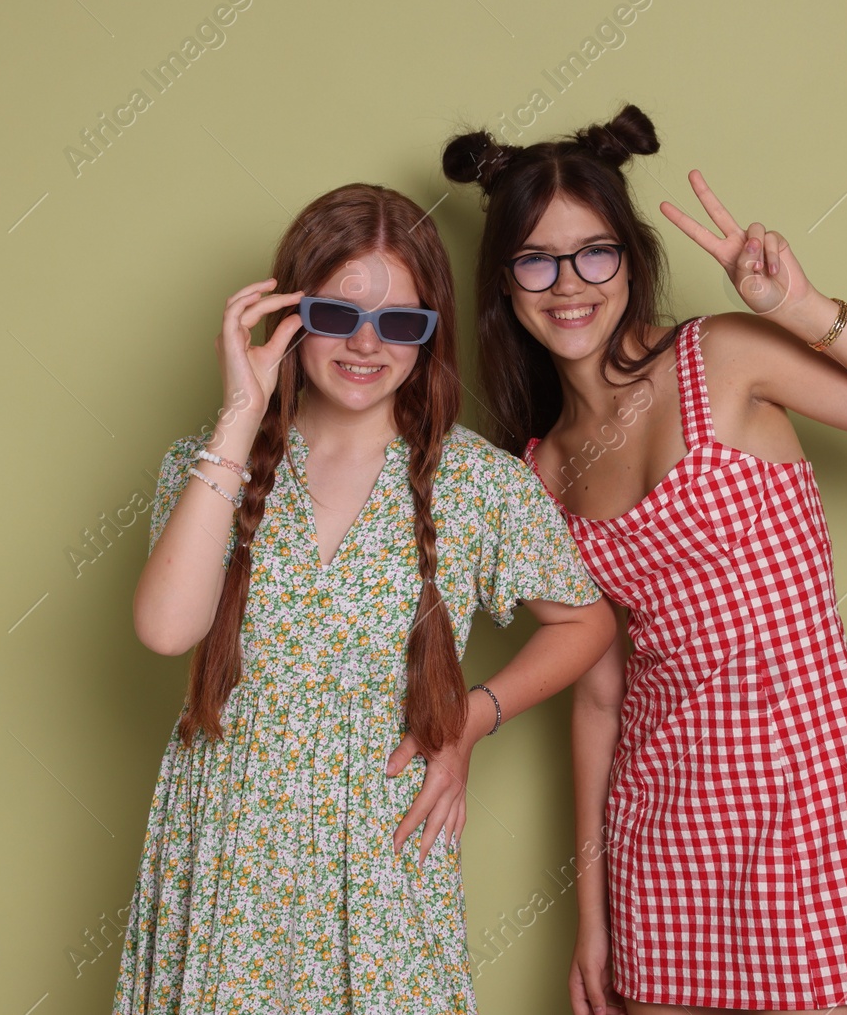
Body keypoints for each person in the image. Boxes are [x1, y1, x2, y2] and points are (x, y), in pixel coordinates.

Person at [441, 107, 847, 1015]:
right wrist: (593, 919)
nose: (569, 283)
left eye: (595, 252)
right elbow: (597, 691)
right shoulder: (537, 469)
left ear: (631, 257)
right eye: (537, 259)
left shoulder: (723, 357)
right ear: (505, 283)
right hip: (660, 827)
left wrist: (807, 312)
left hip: (811, 797)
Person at [112, 182, 614, 1014]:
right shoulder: (209, 466)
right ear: (292, 316)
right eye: (339, 316)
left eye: (402, 324)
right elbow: (167, 630)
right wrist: (241, 415)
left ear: (431, 336)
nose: (368, 344)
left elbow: (587, 620)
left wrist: (471, 719)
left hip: (383, 856)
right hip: (229, 841)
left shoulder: (477, 483)